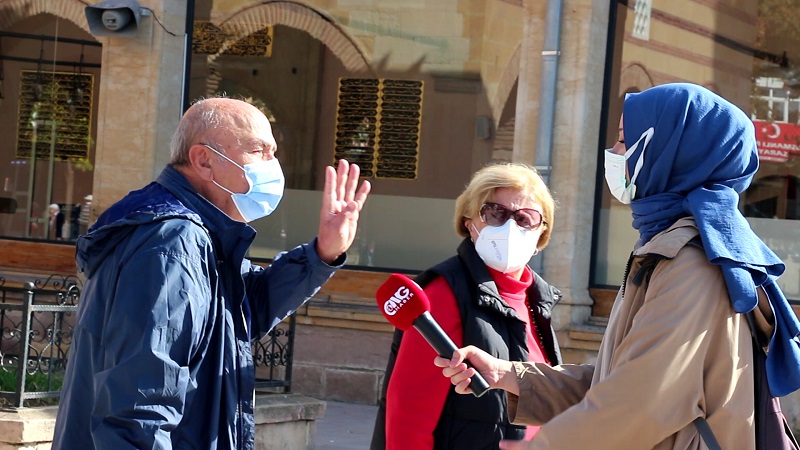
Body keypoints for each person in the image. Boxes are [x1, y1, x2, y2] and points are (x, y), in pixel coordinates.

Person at [434, 83, 800, 449]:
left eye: (625, 140)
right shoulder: (666, 247)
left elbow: (640, 402)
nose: (614, 152)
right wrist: (508, 374)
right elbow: (616, 381)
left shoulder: (692, 265)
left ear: (672, 151)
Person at [52, 97, 371, 450]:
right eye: (259, 150)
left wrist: (323, 254)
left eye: (274, 152)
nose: (273, 165)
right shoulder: (174, 241)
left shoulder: (201, 235)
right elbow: (142, 402)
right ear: (204, 160)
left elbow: (243, 309)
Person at [371, 163, 563, 449]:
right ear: (469, 222)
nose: (510, 227)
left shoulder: (537, 299)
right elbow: (408, 415)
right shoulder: (444, 293)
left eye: (525, 218)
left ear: (541, 233)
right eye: (494, 213)